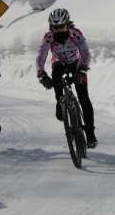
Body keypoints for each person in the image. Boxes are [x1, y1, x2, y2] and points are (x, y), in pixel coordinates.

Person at [36, 8, 98, 148]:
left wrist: (82, 69)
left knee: (83, 98)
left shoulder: (75, 34)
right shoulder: (49, 37)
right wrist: (42, 74)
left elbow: (86, 53)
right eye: (54, 27)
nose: (58, 30)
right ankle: (60, 101)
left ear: (68, 25)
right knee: (56, 68)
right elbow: (40, 57)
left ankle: (90, 133)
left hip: (76, 64)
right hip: (59, 62)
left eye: (61, 26)